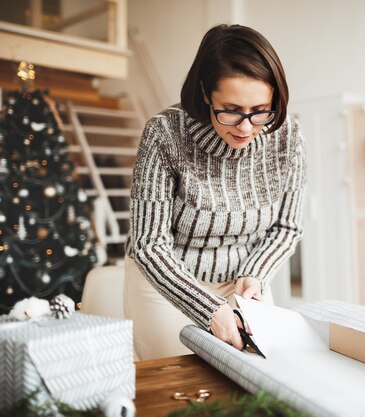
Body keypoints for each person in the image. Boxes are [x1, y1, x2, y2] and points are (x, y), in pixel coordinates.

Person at [124, 24, 306, 360]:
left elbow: (287, 227)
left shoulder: (288, 136)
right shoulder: (165, 134)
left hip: (242, 282)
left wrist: (257, 272)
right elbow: (148, 244)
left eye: (260, 111)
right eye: (232, 111)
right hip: (167, 283)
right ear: (206, 92)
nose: (247, 127)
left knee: (256, 382)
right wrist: (209, 309)